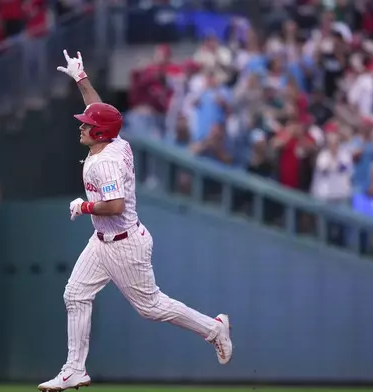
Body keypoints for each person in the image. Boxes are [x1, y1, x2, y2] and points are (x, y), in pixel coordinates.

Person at [37, 50, 234, 392]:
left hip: (124, 242)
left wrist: (83, 207)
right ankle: (74, 370)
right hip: (103, 240)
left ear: (99, 134)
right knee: (75, 294)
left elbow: (114, 205)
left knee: (152, 307)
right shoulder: (113, 140)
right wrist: (81, 78)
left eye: (88, 125)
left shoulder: (104, 163)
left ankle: (213, 329)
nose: (82, 126)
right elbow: (102, 113)